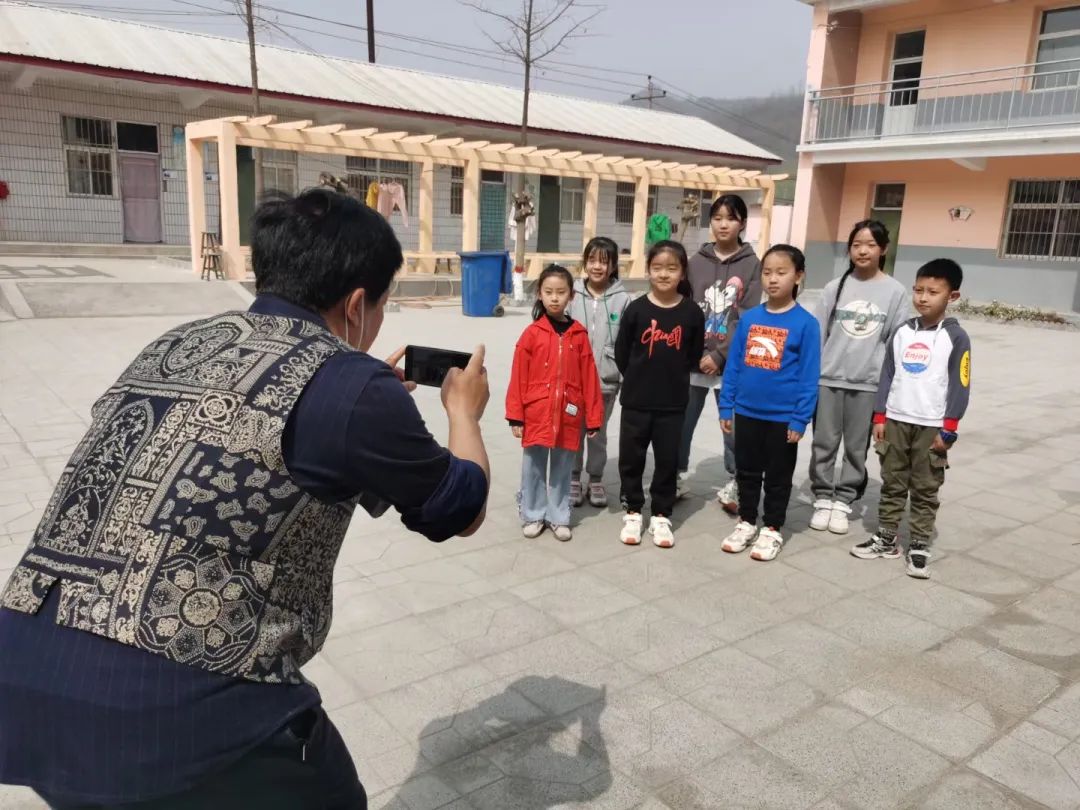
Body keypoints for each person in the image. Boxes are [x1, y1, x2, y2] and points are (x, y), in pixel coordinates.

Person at [0, 188, 491, 810]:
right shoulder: (349, 382)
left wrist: (365, 407)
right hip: (176, 709)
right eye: (385, 304)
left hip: (28, 679)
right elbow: (460, 508)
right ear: (359, 303)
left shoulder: (179, 340)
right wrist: (463, 412)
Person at [852, 259, 971, 580]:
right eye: (919, 290)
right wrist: (880, 416)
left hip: (931, 426)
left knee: (925, 487)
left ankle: (918, 544)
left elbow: (961, 384)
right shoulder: (903, 332)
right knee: (892, 482)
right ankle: (887, 537)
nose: (923, 297)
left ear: (952, 296)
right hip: (895, 421)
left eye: (933, 292)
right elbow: (888, 374)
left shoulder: (956, 337)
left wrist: (950, 428)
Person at [718, 245, 820, 562]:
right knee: (746, 472)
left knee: (777, 477)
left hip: (782, 418)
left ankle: (772, 527)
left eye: (781, 272)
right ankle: (747, 520)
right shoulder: (750, 319)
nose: (773, 279)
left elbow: (808, 376)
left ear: (798, 276)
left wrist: (799, 419)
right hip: (746, 412)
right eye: (767, 272)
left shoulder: (806, 324)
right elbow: (734, 364)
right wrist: (726, 405)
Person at [809, 220, 909, 535]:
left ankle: (844, 499)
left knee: (856, 446)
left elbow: (896, 341)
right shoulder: (833, 287)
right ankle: (823, 496)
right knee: (823, 443)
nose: (862, 250)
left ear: (883, 249)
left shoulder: (895, 292)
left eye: (870, 244)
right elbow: (818, 334)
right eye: (856, 244)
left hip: (867, 384)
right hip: (828, 379)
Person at [615, 241, 705, 549]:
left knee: (668, 460)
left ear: (682, 272)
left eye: (671, 268)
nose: (664, 274)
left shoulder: (692, 312)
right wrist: (639, 379)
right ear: (648, 270)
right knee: (632, 457)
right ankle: (632, 509)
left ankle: (662, 514)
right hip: (636, 401)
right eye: (657, 268)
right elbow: (622, 352)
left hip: (673, 403)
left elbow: (693, 355)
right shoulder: (637, 309)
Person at [506, 264, 604, 542]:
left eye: (561, 292)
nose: (554, 298)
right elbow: (518, 378)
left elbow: (590, 379)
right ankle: (533, 513)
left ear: (571, 296)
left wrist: (594, 417)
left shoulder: (579, 335)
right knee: (533, 466)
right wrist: (516, 416)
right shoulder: (532, 334)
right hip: (536, 412)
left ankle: (559, 516)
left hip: (569, 415)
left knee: (563, 467)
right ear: (539, 294)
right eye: (548, 292)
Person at [680, 194, 761, 507]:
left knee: (734, 426)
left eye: (731, 217)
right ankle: (675, 474)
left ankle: (737, 481)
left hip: (731, 365)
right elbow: (684, 308)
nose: (723, 224)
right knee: (681, 422)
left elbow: (748, 316)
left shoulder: (753, 264)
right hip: (693, 361)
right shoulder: (695, 262)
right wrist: (694, 353)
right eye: (717, 217)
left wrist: (720, 354)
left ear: (742, 222)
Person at [568, 236, 632, 509]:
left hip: (605, 383)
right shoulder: (571, 294)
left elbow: (627, 344)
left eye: (604, 262)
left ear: (613, 266)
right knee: (573, 431)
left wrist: (622, 378)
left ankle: (595, 478)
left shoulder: (623, 299)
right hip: (572, 381)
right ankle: (572, 477)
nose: (597, 267)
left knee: (597, 433)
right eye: (592, 260)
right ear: (585, 262)